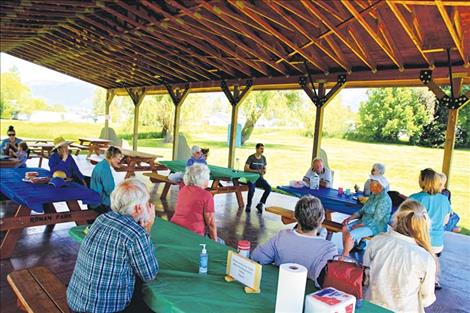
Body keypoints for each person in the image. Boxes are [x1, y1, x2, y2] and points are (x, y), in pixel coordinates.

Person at [67, 178, 158, 313]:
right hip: (105, 309)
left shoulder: (102, 218)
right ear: (139, 208)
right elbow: (150, 275)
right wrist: (148, 227)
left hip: (75, 301)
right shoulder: (135, 233)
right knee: (146, 303)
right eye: (147, 203)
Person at [363, 199, 436, 313]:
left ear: (397, 218)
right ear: (423, 224)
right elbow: (427, 299)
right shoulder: (425, 258)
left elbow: (366, 278)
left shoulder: (377, 241)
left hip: (372, 306)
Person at [252, 196, 337, 286]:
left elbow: (258, 257)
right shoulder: (328, 249)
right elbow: (326, 282)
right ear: (322, 218)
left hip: (280, 286)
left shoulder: (282, 236)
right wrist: (346, 252)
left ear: (295, 216)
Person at [410, 168, 451, 289]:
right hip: (437, 244)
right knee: (432, 258)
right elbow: (446, 221)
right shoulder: (444, 199)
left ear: (422, 181)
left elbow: (405, 221)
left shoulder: (415, 198)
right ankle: (432, 279)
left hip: (419, 242)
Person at [342, 177, 392, 256]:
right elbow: (362, 211)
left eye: (372, 184)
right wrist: (350, 218)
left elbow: (376, 220)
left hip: (375, 226)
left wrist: (359, 225)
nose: (370, 186)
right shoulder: (373, 195)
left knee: (350, 235)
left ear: (379, 186)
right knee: (345, 228)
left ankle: (344, 256)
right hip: (364, 221)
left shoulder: (384, 199)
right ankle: (348, 250)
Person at [171, 163, 219, 241]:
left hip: (175, 228)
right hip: (193, 234)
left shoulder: (183, 189)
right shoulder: (206, 195)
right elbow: (211, 223)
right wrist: (215, 243)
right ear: (203, 179)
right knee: (221, 242)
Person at [90, 146, 122, 214]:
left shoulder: (102, 164)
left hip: (94, 200)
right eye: (118, 159)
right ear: (112, 157)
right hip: (100, 204)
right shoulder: (105, 169)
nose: (119, 161)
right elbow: (109, 190)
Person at [244, 143, 271, 213]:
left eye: (263, 149)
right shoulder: (251, 157)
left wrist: (264, 171)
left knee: (268, 188)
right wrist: (257, 171)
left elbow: (264, 168)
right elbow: (246, 169)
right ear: (256, 149)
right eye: (261, 148)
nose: (262, 150)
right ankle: (248, 205)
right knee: (252, 189)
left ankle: (260, 204)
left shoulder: (263, 158)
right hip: (251, 178)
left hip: (260, 178)